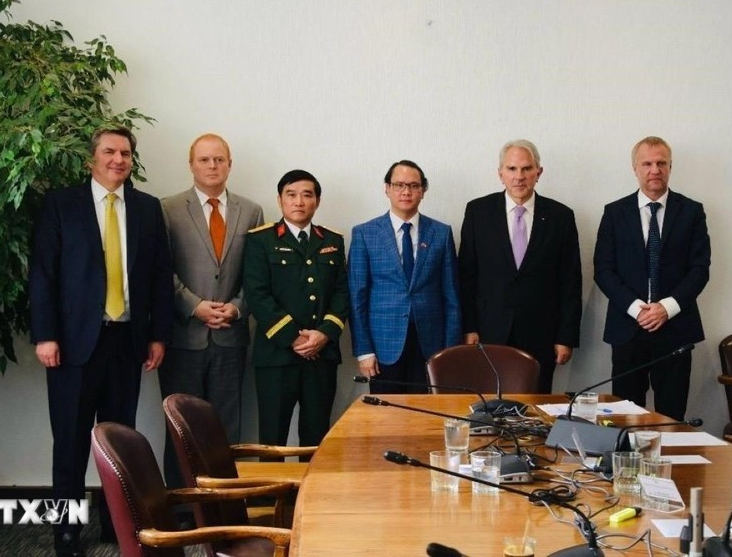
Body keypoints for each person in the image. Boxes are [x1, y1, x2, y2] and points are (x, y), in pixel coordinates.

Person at [29, 126, 173, 557]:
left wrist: (158, 335)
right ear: (91, 158)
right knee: (70, 443)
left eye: (125, 153)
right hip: (72, 346)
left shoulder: (147, 208)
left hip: (127, 342)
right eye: (110, 151)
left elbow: (159, 277)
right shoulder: (61, 204)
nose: (118, 159)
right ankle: (66, 533)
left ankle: (117, 524)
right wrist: (45, 335)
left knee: (119, 443)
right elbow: (42, 274)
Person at [160, 134, 263, 490]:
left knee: (225, 428)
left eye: (219, 159)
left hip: (230, 337)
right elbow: (161, 271)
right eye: (204, 159)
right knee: (181, 427)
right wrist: (194, 306)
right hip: (183, 337)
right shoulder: (168, 209)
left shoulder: (251, 211)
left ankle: (223, 503)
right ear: (191, 165)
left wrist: (237, 308)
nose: (212, 166)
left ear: (229, 164)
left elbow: (257, 273)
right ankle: (182, 504)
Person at [594, 136, 710, 420]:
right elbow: (603, 270)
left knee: (671, 418)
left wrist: (666, 308)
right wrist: (638, 309)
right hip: (628, 328)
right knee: (624, 417)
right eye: (647, 164)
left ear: (670, 166)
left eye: (661, 163)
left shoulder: (692, 211)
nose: (654, 170)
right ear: (635, 168)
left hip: (675, 328)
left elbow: (699, 269)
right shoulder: (614, 212)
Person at [458, 139, 582, 394]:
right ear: (500, 174)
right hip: (489, 332)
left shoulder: (560, 216)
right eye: (512, 169)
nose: (519, 176)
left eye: (526, 168)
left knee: (536, 406)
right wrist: (468, 327)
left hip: (541, 333)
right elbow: (467, 276)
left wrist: (565, 337)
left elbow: (570, 281)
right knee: (489, 404)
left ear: (539, 172)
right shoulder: (478, 212)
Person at [243, 170, 350, 447]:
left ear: (317, 201)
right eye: (291, 194)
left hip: (321, 355)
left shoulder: (332, 241)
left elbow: (341, 293)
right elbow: (257, 294)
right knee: (272, 438)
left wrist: (324, 334)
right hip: (276, 355)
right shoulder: (261, 240)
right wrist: (294, 337)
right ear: (280, 200)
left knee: (316, 439)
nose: (299, 201)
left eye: (307, 195)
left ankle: (310, 480)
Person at [348, 160, 461, 393]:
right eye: (398, 185)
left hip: (430, 344)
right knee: (387, 412)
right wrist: (364, 350)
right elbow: (357, 297)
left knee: (426, 411)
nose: (406, 191)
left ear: (423, 190)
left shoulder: (441, 233)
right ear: (387, 188)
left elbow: (451, 296)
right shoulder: (365, 234)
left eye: (413, 185)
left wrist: (451, 351)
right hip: (383, 345)